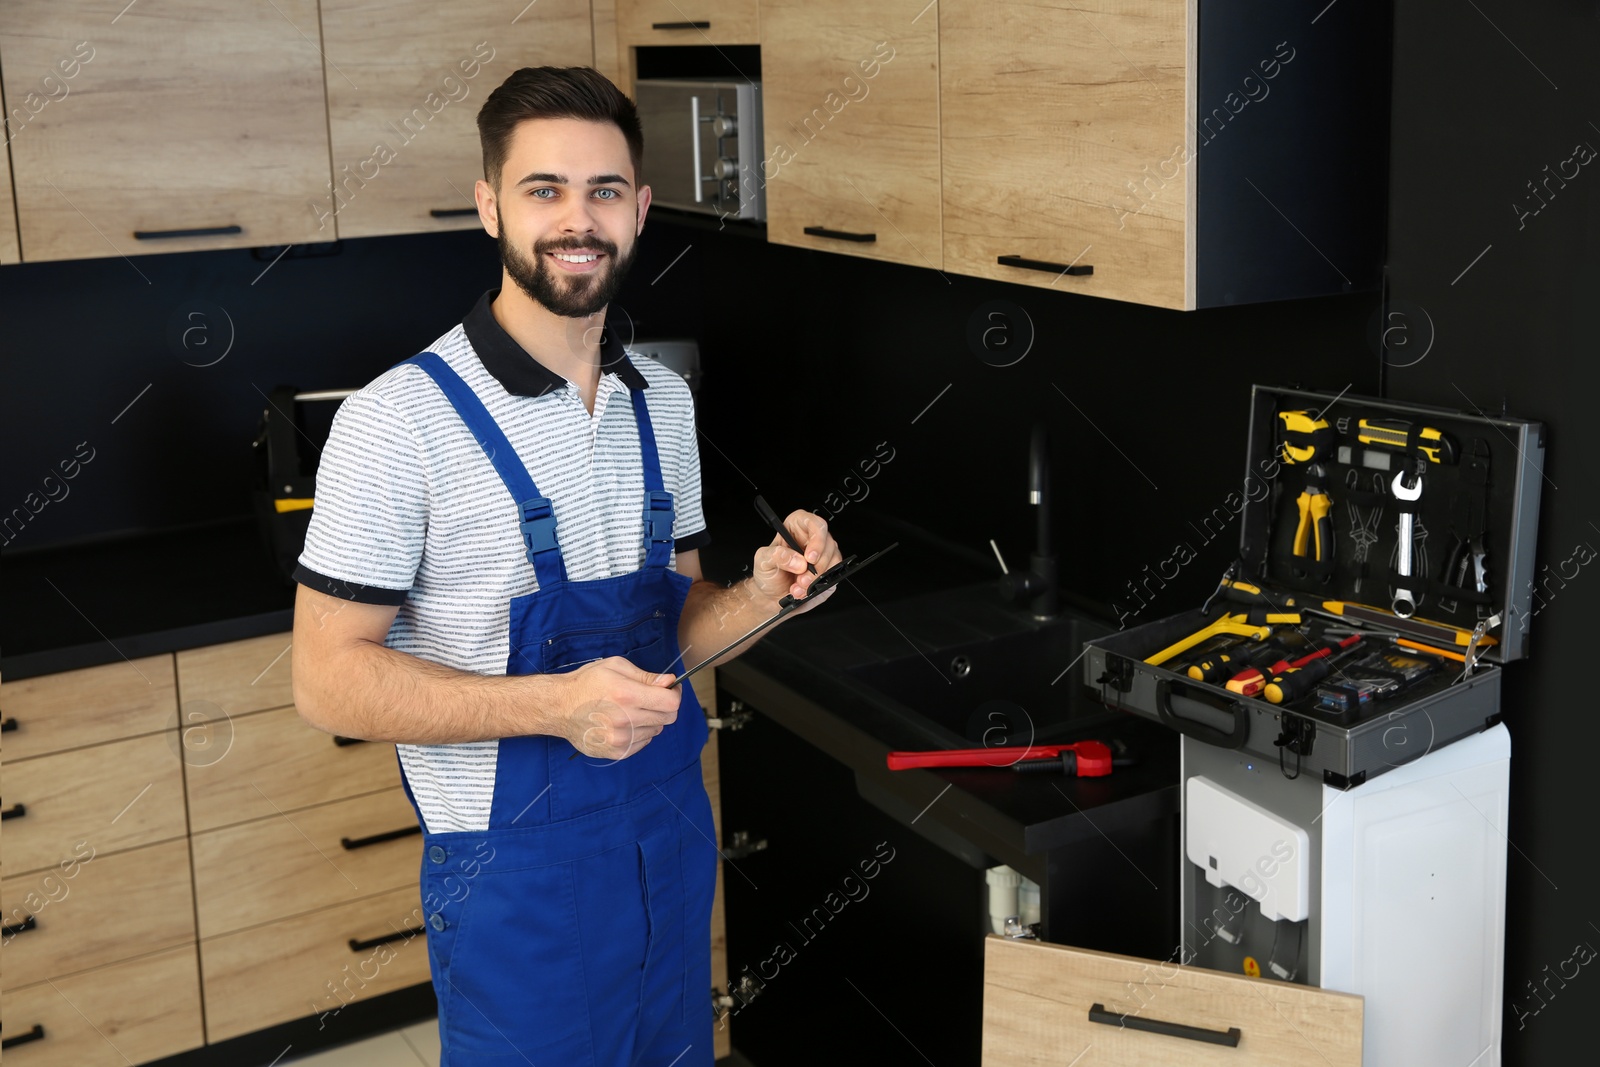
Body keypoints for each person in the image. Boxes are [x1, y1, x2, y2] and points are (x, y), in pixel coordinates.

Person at [290, 65, 842, 1067]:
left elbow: (676, 631)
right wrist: (555, 705)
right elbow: (327, 679)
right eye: (543, 189)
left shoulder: (660, 403)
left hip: (669, 855)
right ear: (489, 204)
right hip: (516, 890)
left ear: (637, 208)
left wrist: (764, 594)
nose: (574, 219)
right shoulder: (395, 421)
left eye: (602, 191)